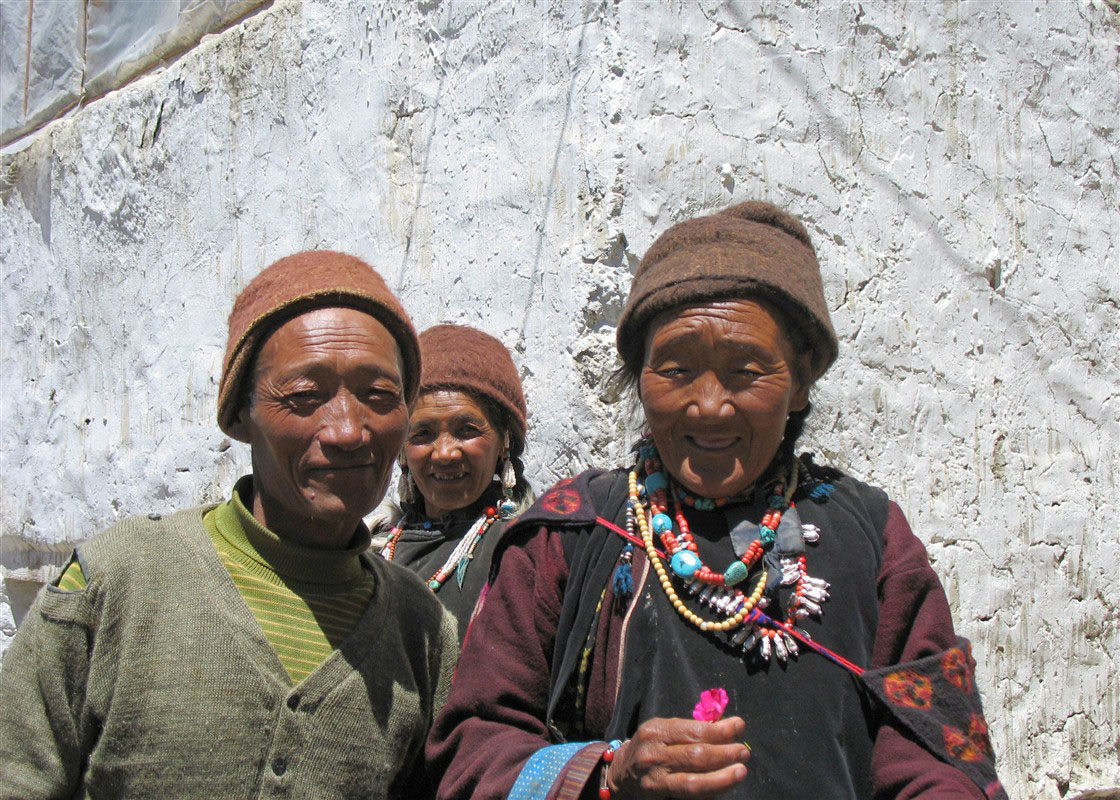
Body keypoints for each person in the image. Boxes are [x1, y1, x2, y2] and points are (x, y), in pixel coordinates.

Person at [426, 202, 1006, 799]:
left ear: (801, 381)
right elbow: (472, 749)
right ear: (640, 374)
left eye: (745, 371)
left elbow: (940, 758)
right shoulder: (570, 532)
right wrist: (602, 776)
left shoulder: (874, 536)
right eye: (676, 369)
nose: (708, 406)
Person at [0, 251, 458, 799]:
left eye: (380, 396)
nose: (347, 431)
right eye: (304, 396)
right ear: (240, 414)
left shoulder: (423, 632)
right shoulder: (118, 580)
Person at [379, 323, 532, 641]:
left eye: (467, 430)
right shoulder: (372, 549)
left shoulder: (524, 553)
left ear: (504, 440)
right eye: (423, 434)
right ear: (403, 450)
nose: (445, 454)